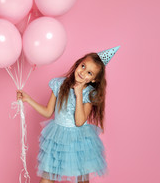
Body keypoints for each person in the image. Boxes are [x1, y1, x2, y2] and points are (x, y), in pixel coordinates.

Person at [17, 46, 120, 183]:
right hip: (57, 137)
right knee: (47, 178)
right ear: (78, 64)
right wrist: (28, 99)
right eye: (83, 66)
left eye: (89, 73)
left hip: (78, 140)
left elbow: (79, 121)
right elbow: (48, 112)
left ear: (93, 80)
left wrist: (78, 94)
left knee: (82, 179)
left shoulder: (89, 94)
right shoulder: (59, 84)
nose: (83, 72)